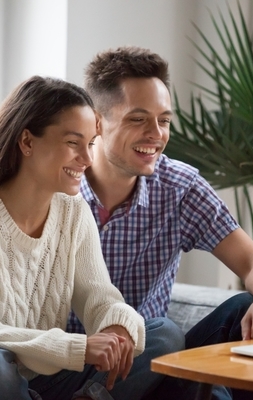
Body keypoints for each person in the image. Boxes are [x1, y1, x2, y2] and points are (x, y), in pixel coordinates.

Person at [67, 46, 253, 400]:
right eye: (138, 119)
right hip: (64, 366)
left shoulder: (180, 188)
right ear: (97, 122)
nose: (156, 134)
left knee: (235, 310)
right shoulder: (58, 184)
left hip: (149, 364)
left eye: (165, 120)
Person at [0, 75, 182, 400]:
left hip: (52, 378)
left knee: (163, 335)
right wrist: (78, 347)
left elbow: (99, 296)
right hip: (7, 378)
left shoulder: (74, 212)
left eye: (90, 143)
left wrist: (116, 328)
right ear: (27, 142)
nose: (86, 158)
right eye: (73, 143)